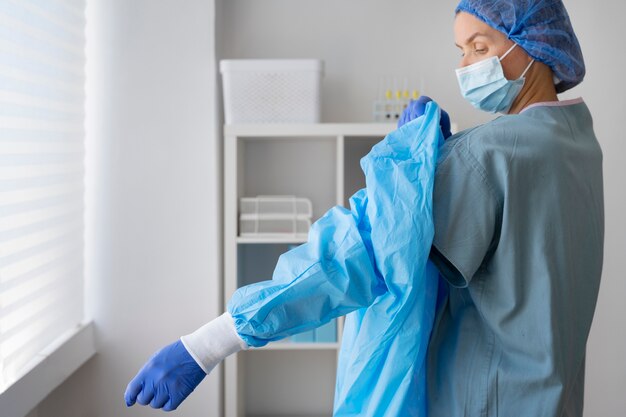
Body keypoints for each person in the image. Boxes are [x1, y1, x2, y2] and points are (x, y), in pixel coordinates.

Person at [125, 1, 604, 416]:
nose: (467, 67)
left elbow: (361, 251)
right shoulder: (577, 144)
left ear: (538, 44)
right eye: (461, 52)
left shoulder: (489, 154)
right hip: (551, 398)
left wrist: (208, 344)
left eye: (480, 48)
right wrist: (443, 163)